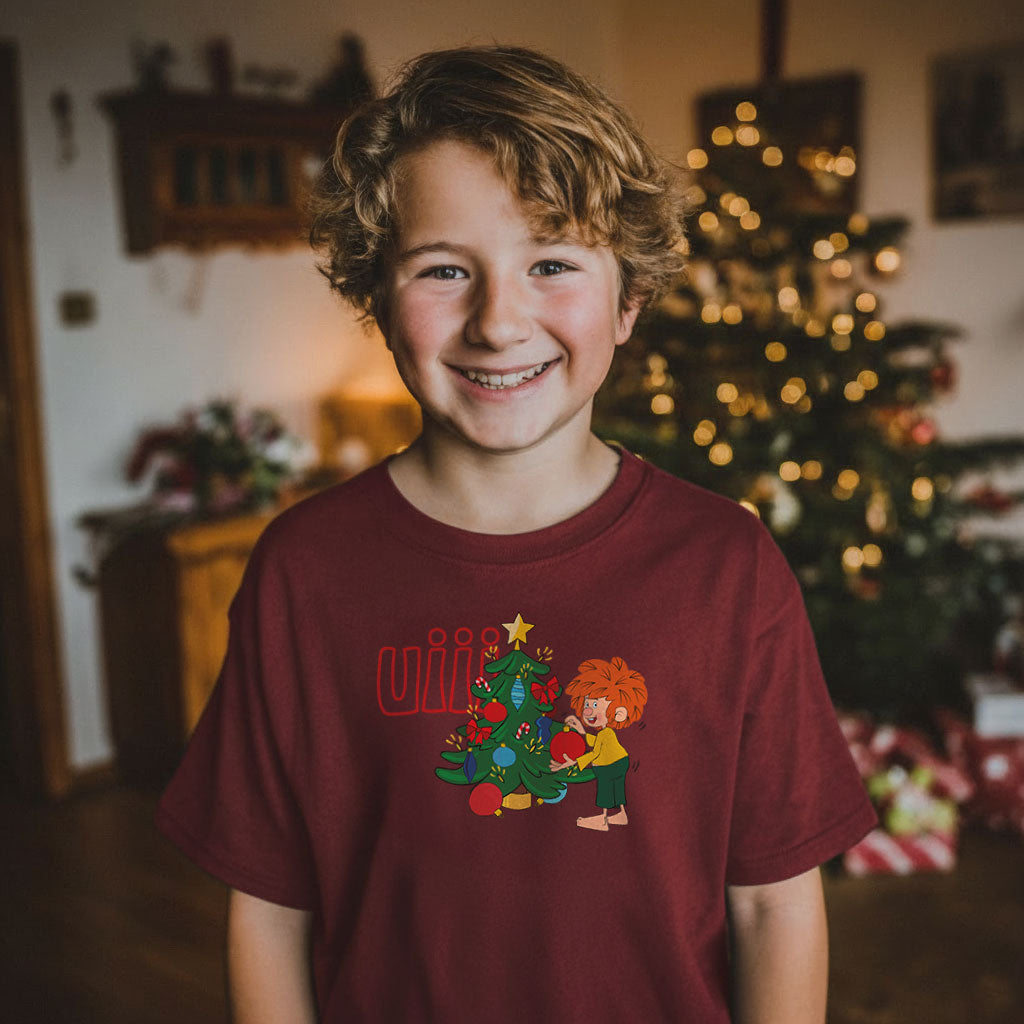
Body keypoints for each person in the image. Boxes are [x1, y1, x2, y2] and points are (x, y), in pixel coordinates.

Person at [156, 45, 875, 1023]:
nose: (500, 322)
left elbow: (773, 907)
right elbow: (271, 909)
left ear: (628, 301)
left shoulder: (727, 567)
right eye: (445, 268)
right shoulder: (304, 571)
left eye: (552, 263)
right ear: (377, 296)